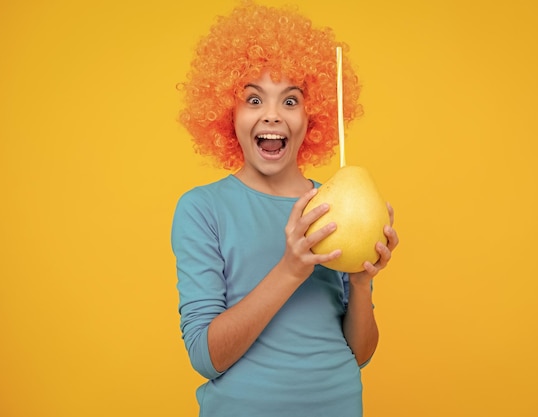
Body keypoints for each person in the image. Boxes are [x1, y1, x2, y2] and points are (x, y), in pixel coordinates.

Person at [171, 2, 399, 416]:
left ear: (313, 116)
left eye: (290, 101)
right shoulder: (202, 209)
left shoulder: (333, 206)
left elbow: (361, 355)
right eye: (254, 100)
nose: (272, 115)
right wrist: (292, 268)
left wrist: (362, 281)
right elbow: (206, 358)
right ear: (229, 113)